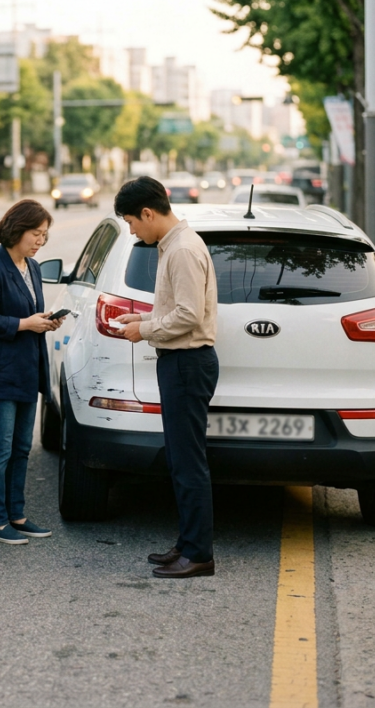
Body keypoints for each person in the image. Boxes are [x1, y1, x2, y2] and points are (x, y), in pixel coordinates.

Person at [111, 177, 219, 579]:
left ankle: (199, 554)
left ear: (147, 213)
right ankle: (188, 544)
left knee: (188, 463)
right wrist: (144, 317)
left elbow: (189, 315)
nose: (132, 231)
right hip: (179, 363)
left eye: (131, 222)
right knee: (179, 460)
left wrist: (144, 330)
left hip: (187, 364)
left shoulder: (183, 250)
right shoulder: (173, 246)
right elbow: (179, 307)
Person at [0, 199, 65, 545]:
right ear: (17, 230)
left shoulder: (32, 267)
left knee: (22, 448)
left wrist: (45, 322)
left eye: (44, 235)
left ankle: (17, 516)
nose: (40, 241)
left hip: (26, 371)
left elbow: (29, 314)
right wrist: (26, 324)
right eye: (35, 233)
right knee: (0, 452)